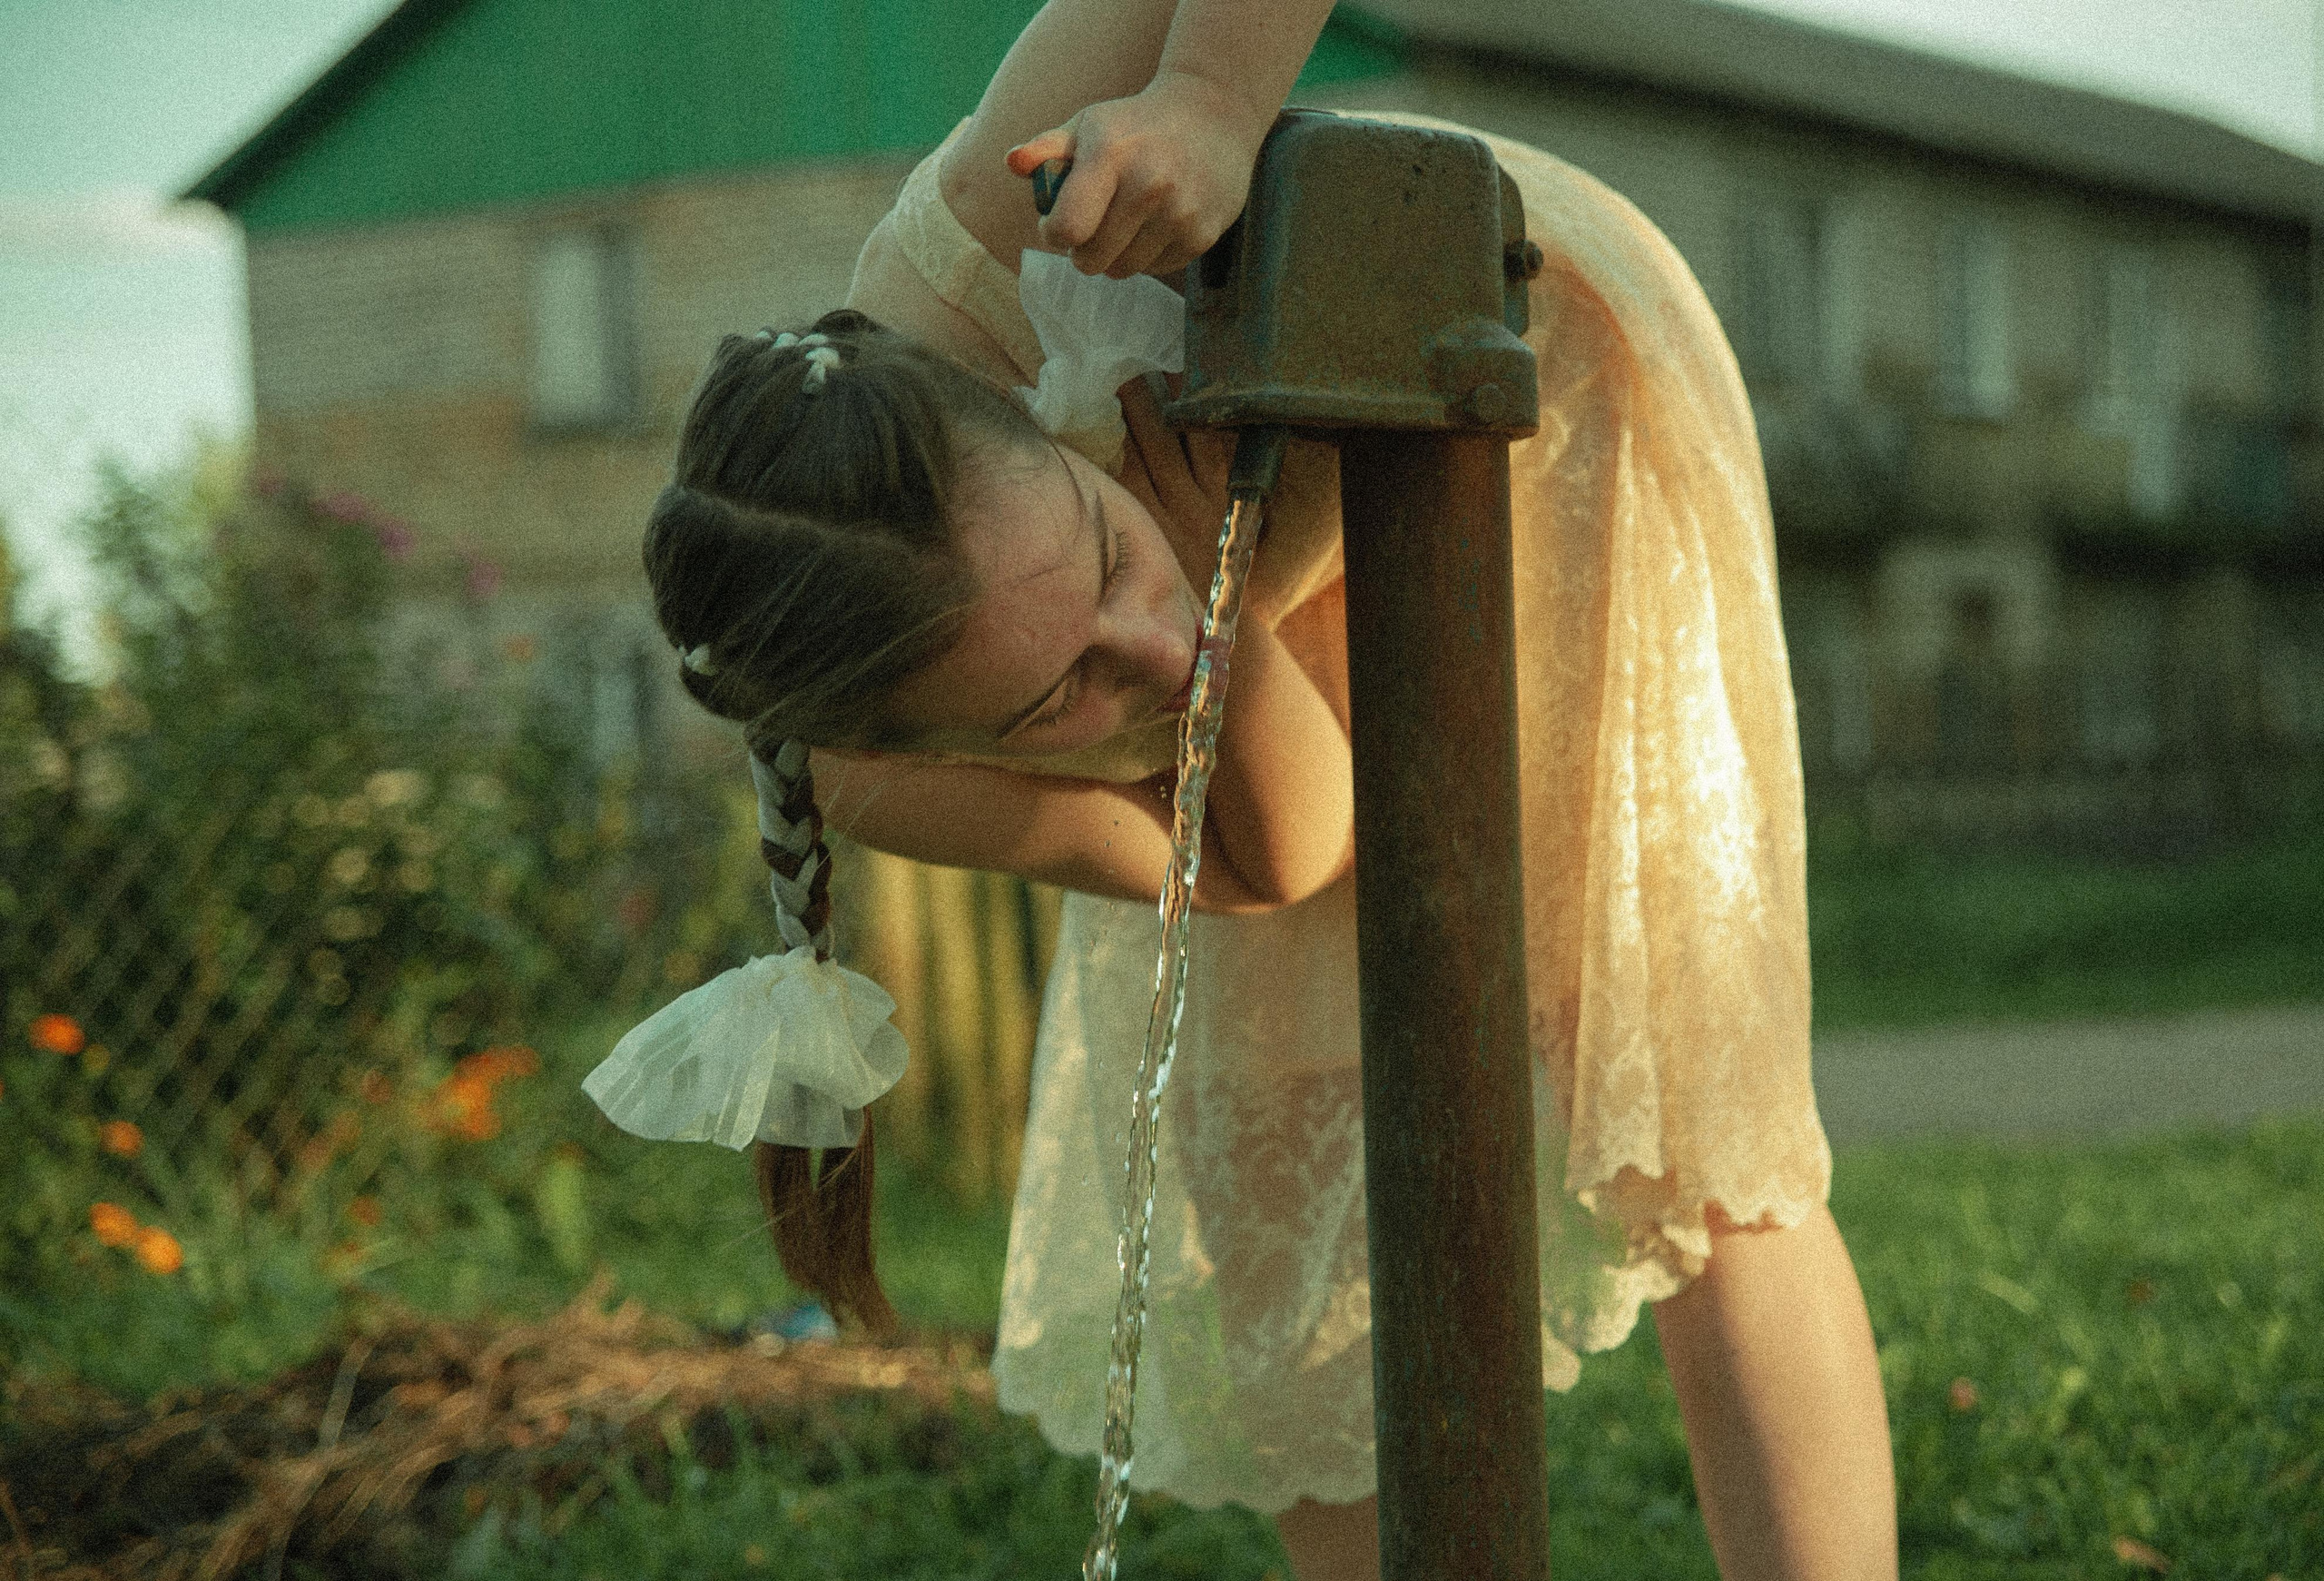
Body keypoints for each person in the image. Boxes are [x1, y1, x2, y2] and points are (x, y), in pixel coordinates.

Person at [594, 2, 1899, 1576]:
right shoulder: (879, 774)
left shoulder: (985, 245)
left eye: (1095, 550)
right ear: (920, 732)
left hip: (1518, 377)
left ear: (1015, 425)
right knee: (1267, 1151)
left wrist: (1210, 101)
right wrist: (1212, 625)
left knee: (1674, 1100)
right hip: (1267, 630)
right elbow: (1279, 852)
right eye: (1052, 693)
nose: (1125, 647)